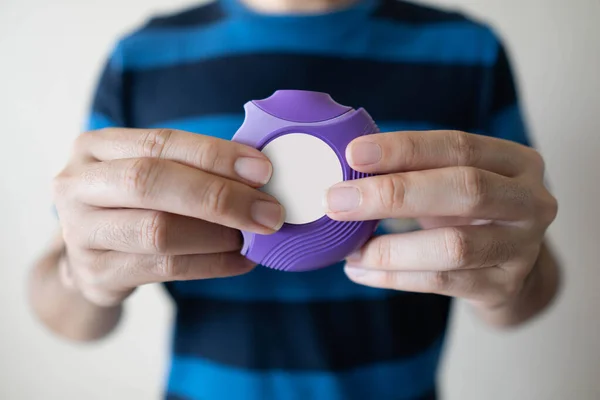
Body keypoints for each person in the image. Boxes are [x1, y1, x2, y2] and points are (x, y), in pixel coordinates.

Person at [28, 0, 561, 399]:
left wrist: (511, 276)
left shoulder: (469, 51)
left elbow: (529, 279)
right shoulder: (141, 57)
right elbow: (62, 299)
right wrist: (84, 277)